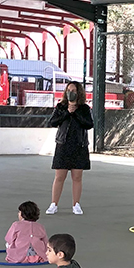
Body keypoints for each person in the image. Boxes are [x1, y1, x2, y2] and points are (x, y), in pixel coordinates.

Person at [47, 82, 93, 216]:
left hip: (79, 145)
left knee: (77, 177)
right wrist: (67, 112)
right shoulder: (60, 107)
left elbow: (89, 124)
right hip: (63, 144)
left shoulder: (84, 108)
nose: (70, 92)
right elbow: (53, 122)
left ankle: (76, 204)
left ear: (79, 93)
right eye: (68, 90)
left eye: (73, 90)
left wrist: (76, 113)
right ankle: (54, 204)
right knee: (59, 176)